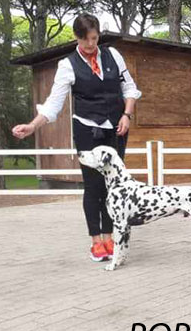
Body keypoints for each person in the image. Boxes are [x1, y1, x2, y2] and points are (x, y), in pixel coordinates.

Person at [12, 14, 142, 262]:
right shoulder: (68, 65)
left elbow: (129, 88)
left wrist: (127, 115)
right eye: (85, 40)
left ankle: (110, 238)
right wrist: (32, 126)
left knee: (112, 185)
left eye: (94, 38)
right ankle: (96, 241)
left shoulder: (113, 55)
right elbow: (53, 104)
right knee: (93, 186)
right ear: (76, 37)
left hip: (116, 128)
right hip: (87, 129)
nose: (91, 44)